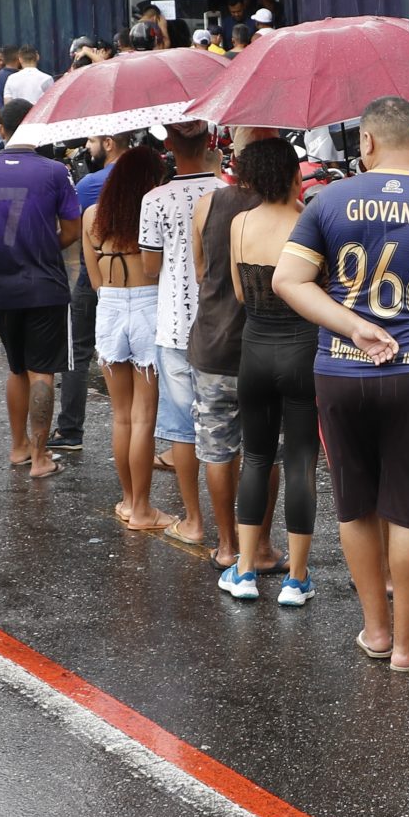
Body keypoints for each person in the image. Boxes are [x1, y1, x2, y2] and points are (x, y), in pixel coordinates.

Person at [273, 95, 409, 672]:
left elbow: (288, 280)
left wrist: (353, 325)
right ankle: (408, 645)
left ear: (365, 143)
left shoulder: (328, 200)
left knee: (356, 506)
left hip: (340, 371)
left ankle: (375, 630)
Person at [220, 136, 318, 606]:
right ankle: (296, 581)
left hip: (254, 350)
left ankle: (243, 571)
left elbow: (241, 294)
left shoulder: (239, 223)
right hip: (303, 349)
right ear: (295, 175)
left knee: (255, 457)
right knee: (300, 461)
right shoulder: (311, 222)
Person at [0, 99, 82, 481]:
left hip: (2, 285)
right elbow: (73, 229)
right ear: (38, 128)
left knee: (15, 368)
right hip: (46, 284)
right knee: (42, 372)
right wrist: (46, 246)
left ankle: (17, 448)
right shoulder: (54, 171)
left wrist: (4, 249)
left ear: (2, 129)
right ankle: (40, 456)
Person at [141, 121, 228, 555]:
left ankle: (194, 522)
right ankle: (234, 534)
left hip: (175, 325)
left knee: (183, 429)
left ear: (170, 145)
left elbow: (150, 269)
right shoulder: (229, 191)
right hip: (225, 324)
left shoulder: (154, 200)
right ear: (209, 142)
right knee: (229, 427)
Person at [191, 137, 263, 588]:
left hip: (213, 343)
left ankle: (227, 545)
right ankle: (265, 545)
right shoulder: (284, 210)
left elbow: (201, 272)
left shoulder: (208, 204)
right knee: (264, 452)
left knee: (219, 449)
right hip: (263, 346)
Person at [91, 141, 171, 529]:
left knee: (121, 416)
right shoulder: (154, 211)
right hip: (148, 307)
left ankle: (127, 501)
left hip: (108, 308)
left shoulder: (94, 216)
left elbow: (94, 280)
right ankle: (142, 508)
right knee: (145, 418)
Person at [52, 136, 114, 454]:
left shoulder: (90, 183)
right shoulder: (150, 176)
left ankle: (70, 429)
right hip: (139, 281)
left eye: (92, 140)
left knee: (77, 350)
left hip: (93, 278)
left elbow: (73, 228)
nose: (87, 147)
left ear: (109, 142)